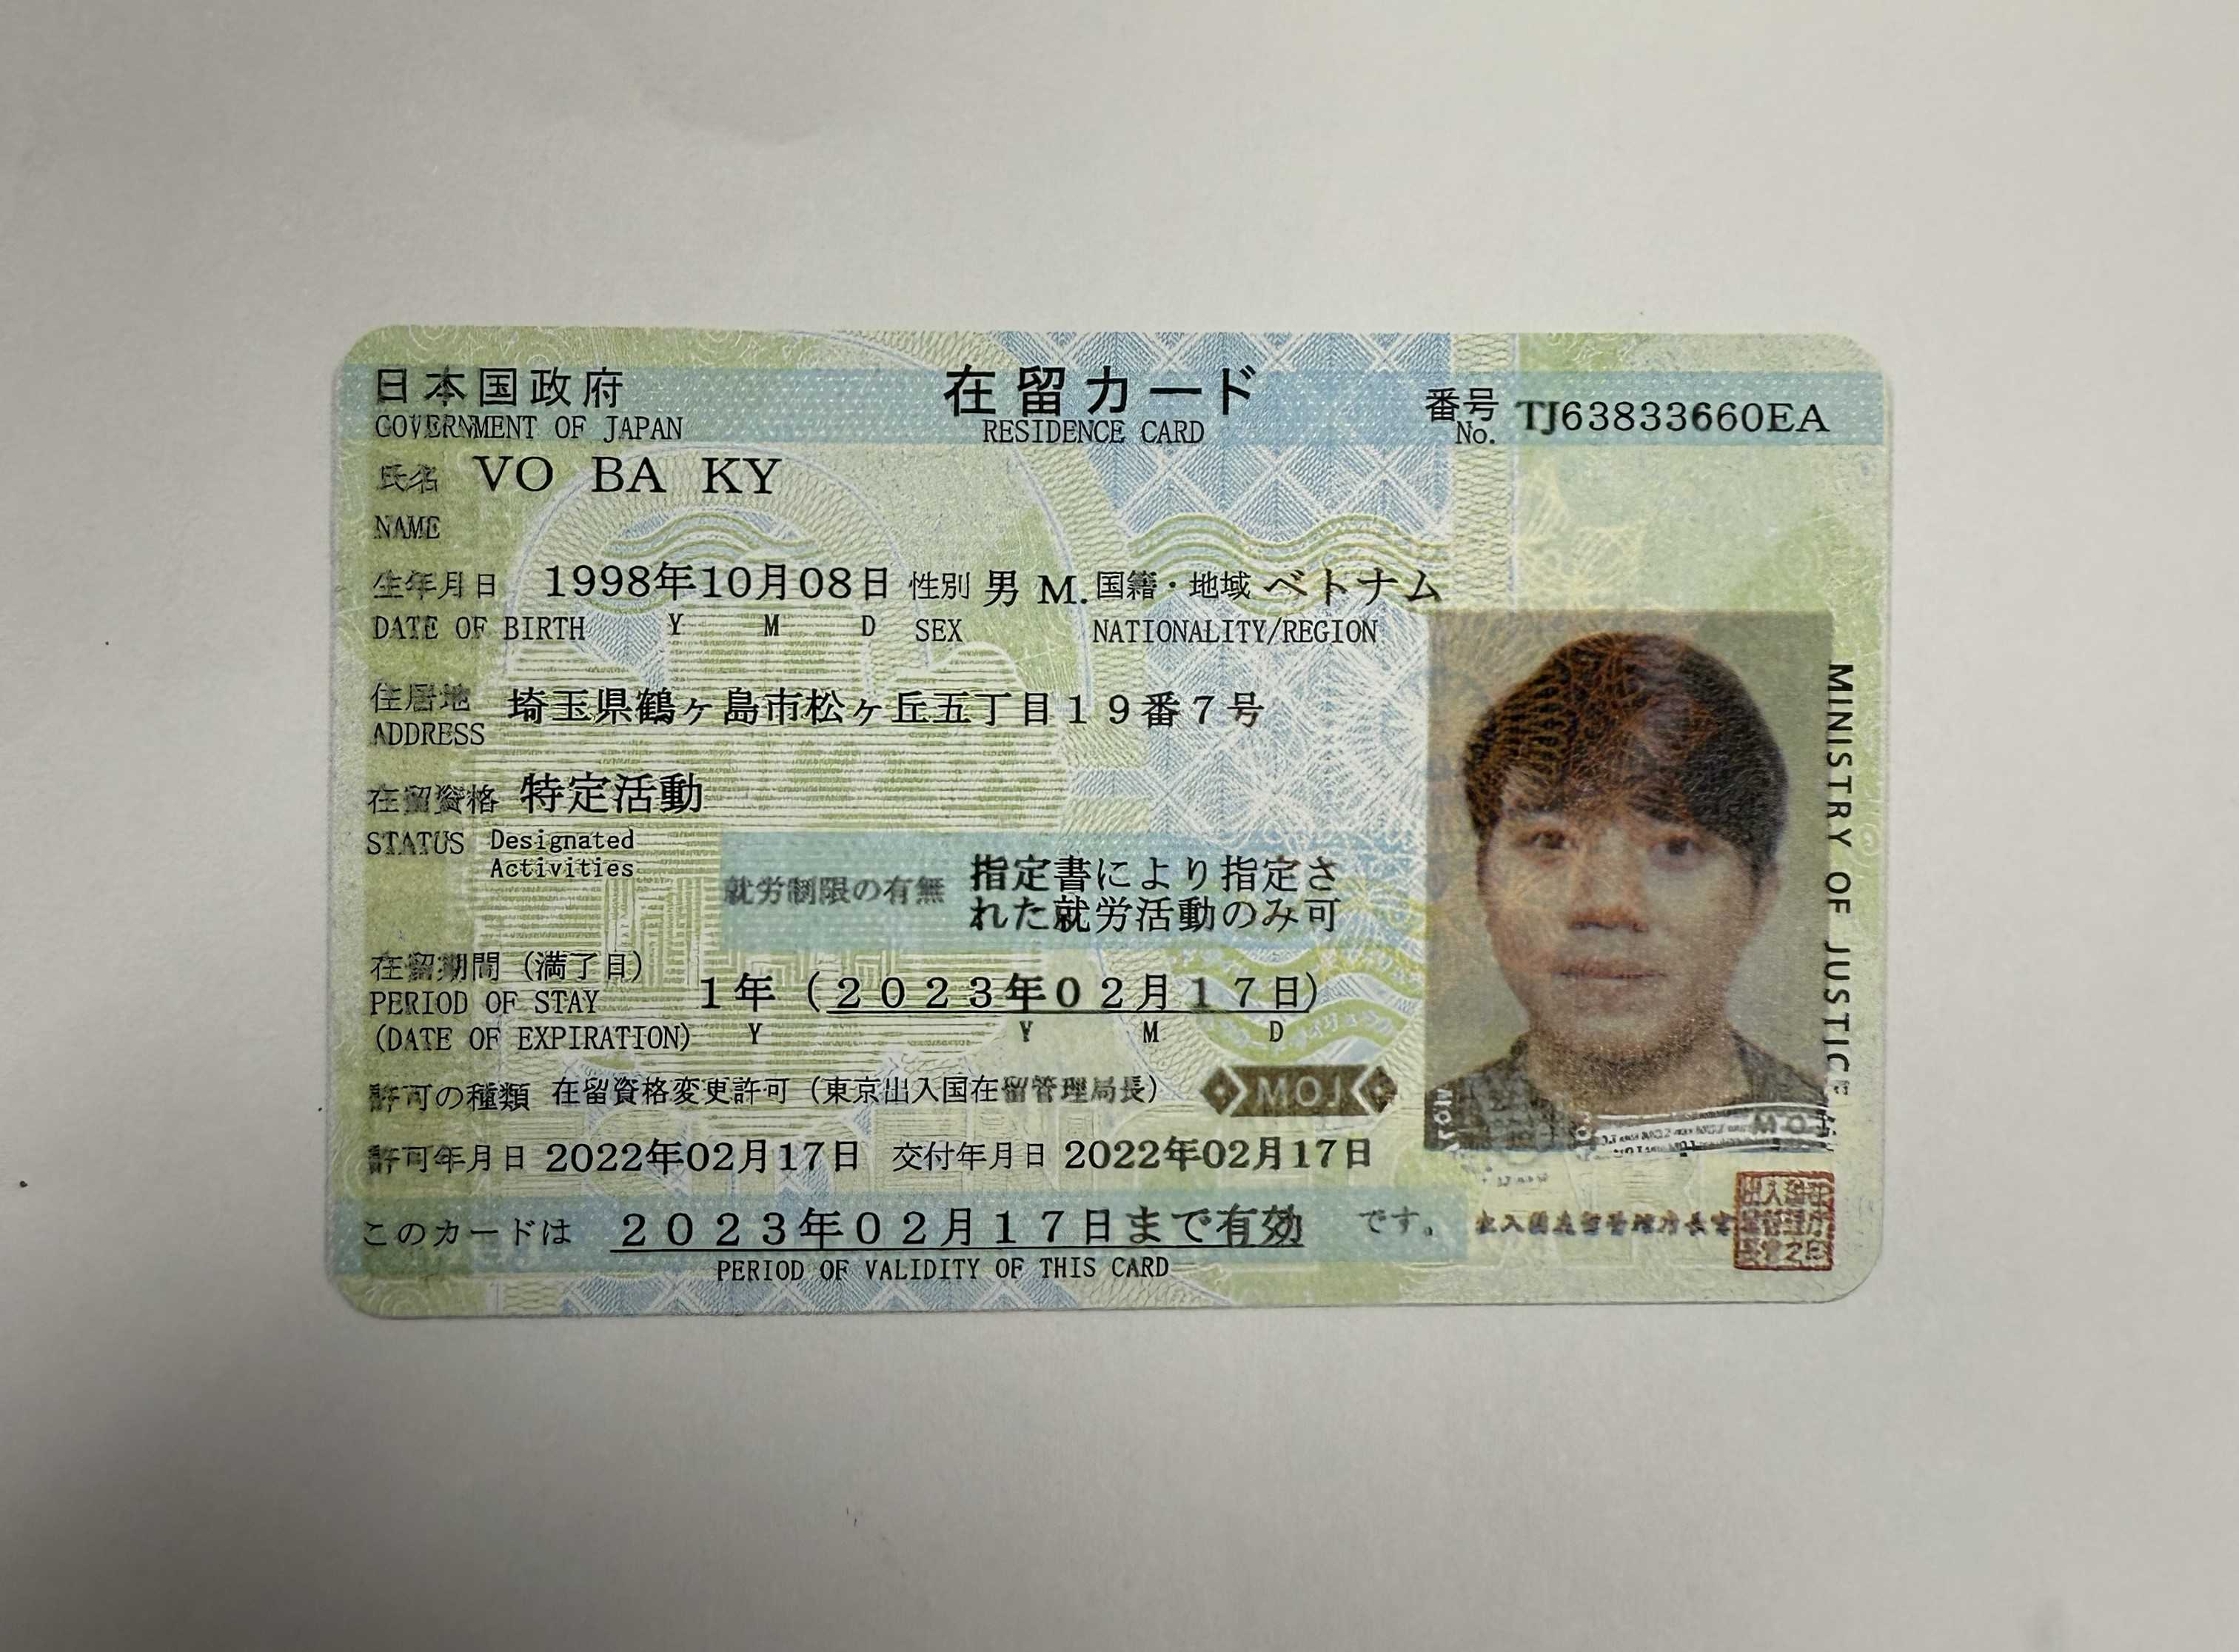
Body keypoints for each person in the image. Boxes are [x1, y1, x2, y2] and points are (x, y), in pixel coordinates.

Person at [1432, 631, 1822, 1150]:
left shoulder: (1832, 1135)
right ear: (1482, 878)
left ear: (1760, 896)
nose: (1608, 905)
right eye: (1551, 841)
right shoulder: (1421, 1133)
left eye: (1677, 848)